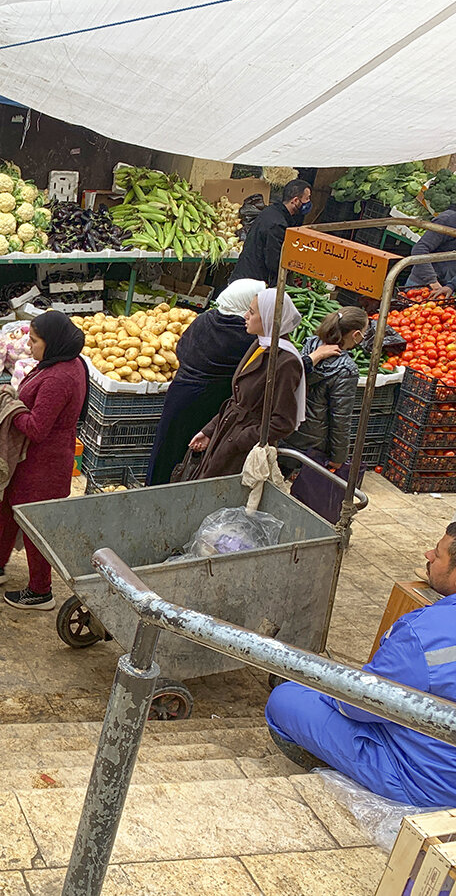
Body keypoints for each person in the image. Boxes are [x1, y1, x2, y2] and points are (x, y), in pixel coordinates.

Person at [265, 524, 456, 808]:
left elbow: (358, 705)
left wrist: (325, 686)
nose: (428, 554)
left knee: (285, 699)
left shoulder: (424, 635)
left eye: (438, 555)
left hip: (427, 783)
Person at [0, 311, 88, 611]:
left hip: (43, 466)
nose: (28, 346)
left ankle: (41, 591)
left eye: (34, 341)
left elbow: (36, 428)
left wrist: (10, 405)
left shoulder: (59, 377)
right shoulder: (64, 364)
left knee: (34, 524)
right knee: (7, 508)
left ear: (52, 342)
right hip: (28, 462)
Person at [146, 279, 262, 485]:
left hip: (179, 395)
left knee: (167, 452)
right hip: (209, 406)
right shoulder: (244, 337)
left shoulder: (205, 319)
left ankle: (154, 493)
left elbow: (181, 349)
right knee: (193, 462)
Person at [188, 288, 306, 480]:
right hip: (227, 434)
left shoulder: (286, 362)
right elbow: (238, 398)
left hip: (244, 452)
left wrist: (241, 439)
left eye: (252, 312)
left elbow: (283, 422)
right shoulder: (259, 345)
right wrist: (210, 430)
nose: (245, 316)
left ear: (269, 317)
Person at [283, 306, 369, 471]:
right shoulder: (346, 369)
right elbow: (341, 419)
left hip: (288, 428)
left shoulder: (310, 344)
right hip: (314, 443)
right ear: (356, 335)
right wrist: (339, 457)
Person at [229, 180, 311, 287]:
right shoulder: (277, 225)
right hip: (252, 282)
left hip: (245, 275)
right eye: (307, 198)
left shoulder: (271, 211)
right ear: (295, 200)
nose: (309, 202)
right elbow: (273, 261)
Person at [403, 208, 456, 296]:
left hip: (447, 290)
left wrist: (451, 286)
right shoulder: (448, 220)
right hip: (421, 286)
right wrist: (433, 282)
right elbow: (419, 249)